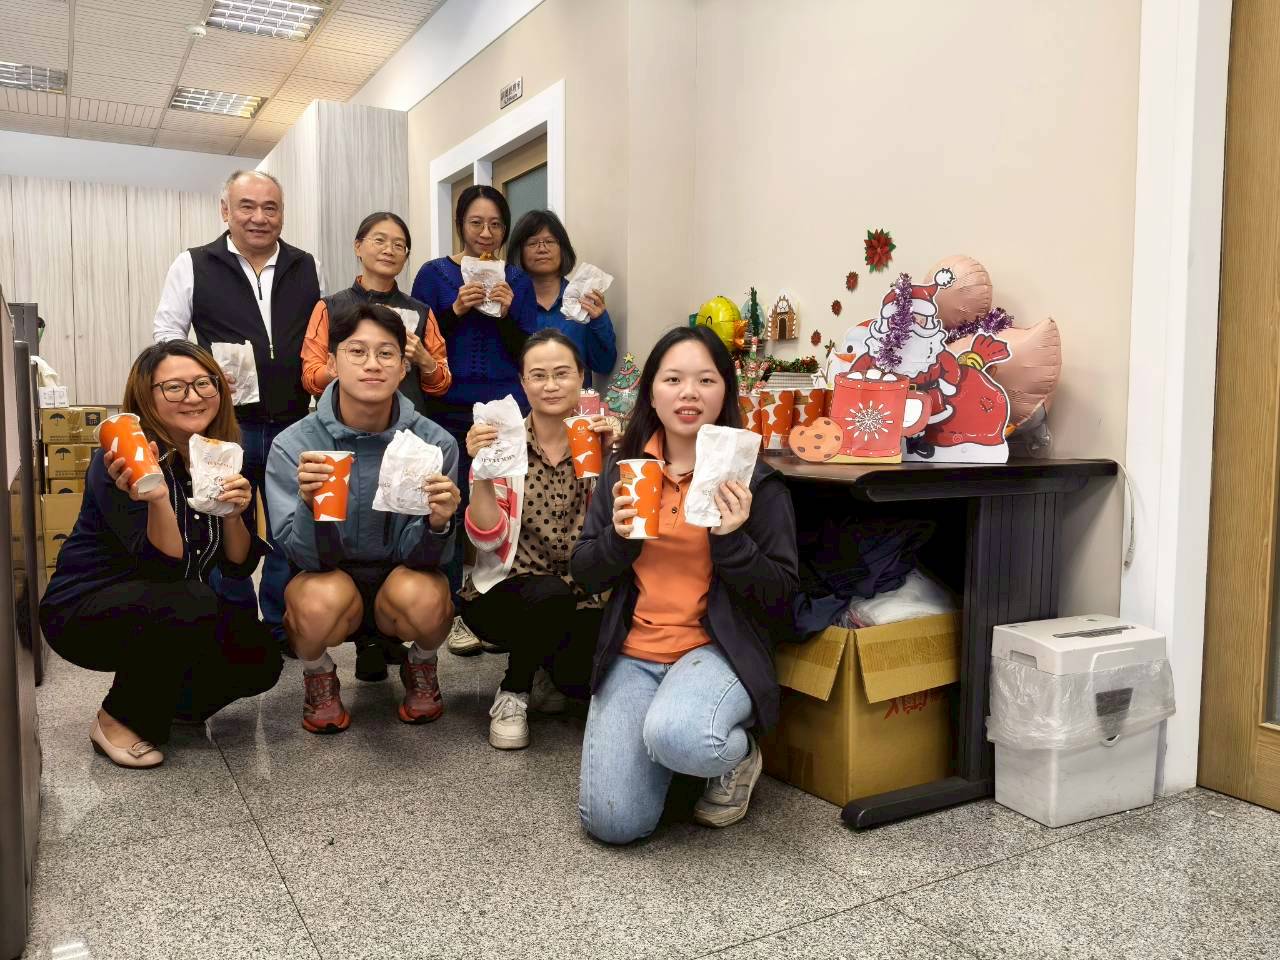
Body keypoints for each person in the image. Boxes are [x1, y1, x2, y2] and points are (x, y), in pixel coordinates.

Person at [571, 326, 799, 844]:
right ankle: (671, 746)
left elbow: (782, 598)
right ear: (651, 392)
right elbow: (583, 571)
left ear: (725, 393)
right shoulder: (625, 470)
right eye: (672, 379)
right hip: (635, 651)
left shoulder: (756, 483)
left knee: (679, 735)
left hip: (716, 651)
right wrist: (619, 540)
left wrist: (733, 540)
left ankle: (734, 756)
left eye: (705, 380)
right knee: (613, 824)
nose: (688, 393)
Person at [38, 342, 282, 769]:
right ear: (146, 397)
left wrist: (233, 514)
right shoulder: (119, 461)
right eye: (174, 387)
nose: (193, 396)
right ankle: (117, 719)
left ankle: (173, 703)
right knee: (192, 601)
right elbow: (165, 567)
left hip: (169, 603)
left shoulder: (221, 455)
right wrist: (156, 497)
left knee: (258, 653)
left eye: (203, 383)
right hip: (84, 610)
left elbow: (237, 565)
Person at [266, 303, 461, 733]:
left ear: (403, 368)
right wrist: (310, 505)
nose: (372, 364)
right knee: (313, 602)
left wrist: (438, 523)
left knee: (429, 597)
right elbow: (304, 558)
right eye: (357, 351)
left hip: (401, 577)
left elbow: (428, 559)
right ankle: (319, 674)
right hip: (330, 577)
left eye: (386, 353)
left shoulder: (434, 444)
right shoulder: (294, 445)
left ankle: (421, 664)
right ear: (332, 363)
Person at [152, 169, 323, 654]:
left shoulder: (305, 265)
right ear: (225, 210)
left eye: (270, 207)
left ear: (282, 213)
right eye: (247, 206)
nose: (259, 217)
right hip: (227, 424)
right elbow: (166, 336)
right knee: (225, 518)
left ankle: (281, 623)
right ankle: (235, 624)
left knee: (291, 524)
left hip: (294, 421)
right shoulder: (193, 263)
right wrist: (201, 371)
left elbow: (320, 335)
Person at [300, 211, 453, 683]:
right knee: (345, 523)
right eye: (379, 240)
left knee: (403, 523)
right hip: (343, 432)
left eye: (400, 244)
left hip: (404, 438)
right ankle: (345, 648)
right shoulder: (331, 306)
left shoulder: (420, 310)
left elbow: (442, 381)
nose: (389, 250)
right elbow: (310, 374)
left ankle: (395, 643)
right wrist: (355, 365)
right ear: (358, 246)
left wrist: (418, 358)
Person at [460, 328, 613, 750]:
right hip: (509, 591)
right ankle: (514, 689)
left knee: (581, 681)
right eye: (538, 375)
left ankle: (547, 668)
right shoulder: (504, 441)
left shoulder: (597, 443)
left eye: (562, 373)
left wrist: (614, 458)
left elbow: (615, 533)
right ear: (523, 382)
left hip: (583, 594)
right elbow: (486, 538)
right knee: (548, 595)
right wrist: (482, 470)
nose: (550, 385)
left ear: (581, 377)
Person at [410, 184, 538, 653]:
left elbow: (527, 347)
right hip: (447, 406)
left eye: (496, 224)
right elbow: (419, 341)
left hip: (506, 408)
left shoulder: (517, 280)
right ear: (460, 224)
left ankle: (491, 603)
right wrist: (455, 309)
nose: (486, 233)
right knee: (449, 502)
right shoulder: (434, 274)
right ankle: (450, 608)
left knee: (502, 503)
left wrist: (507, 312)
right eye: (476, 223)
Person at [508, 209, 617, 389]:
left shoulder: (583, 300)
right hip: (521, 404)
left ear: (563, 249)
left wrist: (599, 320)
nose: (542, 249)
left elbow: (604, 365)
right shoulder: (509, 303)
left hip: (575, 405)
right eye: (532, 243)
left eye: (550, 241)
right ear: (519, 252)